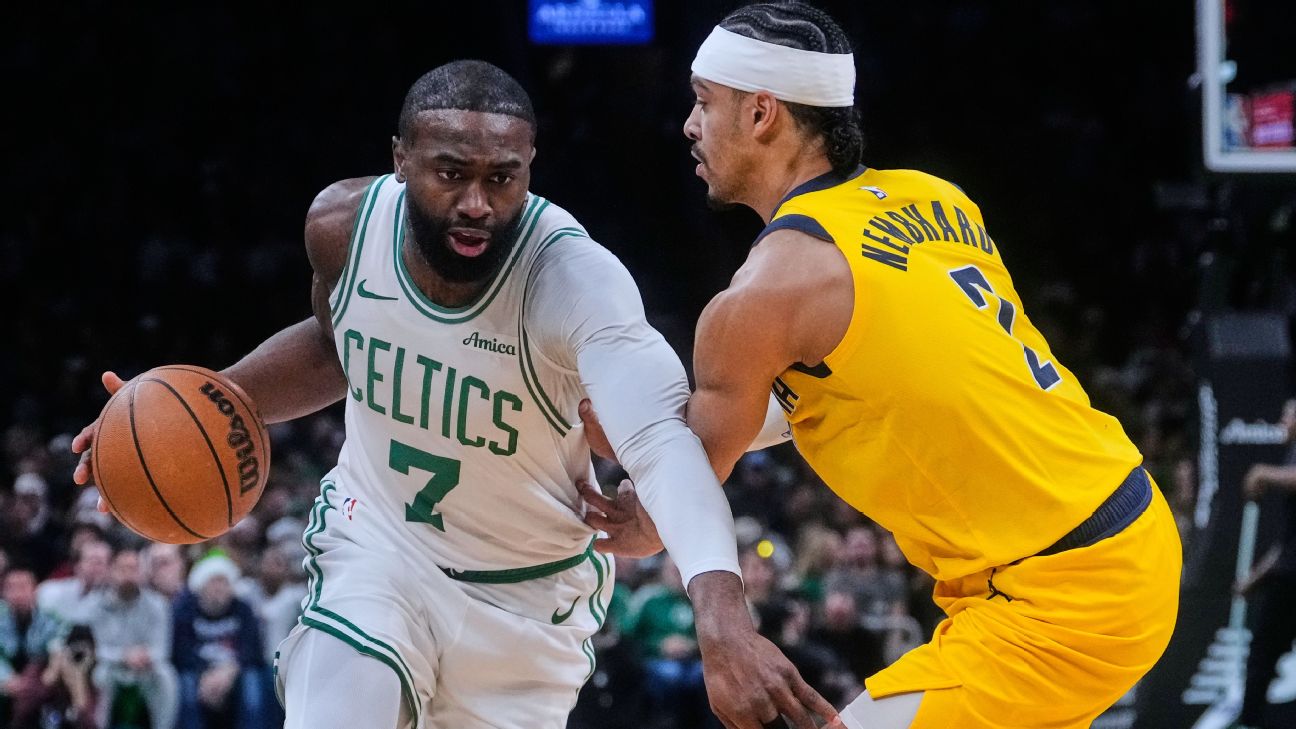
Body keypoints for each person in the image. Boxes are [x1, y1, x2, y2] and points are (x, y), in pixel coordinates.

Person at [70, 60, 834, 729]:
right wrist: (204, 404)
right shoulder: (343, 227)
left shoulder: (576, 282)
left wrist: (722, 616)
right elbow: (338, 344)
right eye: (450, 173)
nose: (476, 202)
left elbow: (665, 440)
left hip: (527, 602)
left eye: (502, 177)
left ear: (530, 168)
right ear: (400, 161)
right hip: (381, 549)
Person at [579, 3, 1182, 727]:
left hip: (1063, 596)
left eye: (704, 102)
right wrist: (659, 453)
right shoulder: (935, 196)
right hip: (1123, 529)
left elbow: (690, 478)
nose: (689, 124)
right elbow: (878, 384)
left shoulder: (765, 296)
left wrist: (651, 494)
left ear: (762, 114)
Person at [1235, 399, 1296, 729]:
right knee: (1262, 653)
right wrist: (1255, 578)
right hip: (1287, 577)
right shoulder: (1291, 455)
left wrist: (1263, 472)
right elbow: (1287, 543)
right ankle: (1250, 721)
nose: (1282, 420)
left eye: (1288, 414)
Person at [83, 549, 178, 729]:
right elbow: (96, 649)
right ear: (111, 571)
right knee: (100, 676)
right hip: (112, 666)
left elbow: (162, 649)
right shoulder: (97, 605)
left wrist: (144, 656)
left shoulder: (158, 605)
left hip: (147, 666)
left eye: (134, 569)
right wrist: (123, 656)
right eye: (123, 569)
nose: (128, 575)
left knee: (166, 676)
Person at [172, 555, 266, 729]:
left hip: (233, 671)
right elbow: (180, 652)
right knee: (185, 683)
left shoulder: (243, 609)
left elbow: (254, 650)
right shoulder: (185, 610)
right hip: (198, 671)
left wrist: (229, 672)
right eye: (213, 582)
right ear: (200, 586)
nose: (219, 588)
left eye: (224, 582)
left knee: (252, 681)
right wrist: (205, 674)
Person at [36, 541, 112, 627]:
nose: (94, 568)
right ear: (78, 565)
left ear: (109, 568)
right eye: (90, 561)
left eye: (99, 563)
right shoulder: (51, 589)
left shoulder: (111, 601)